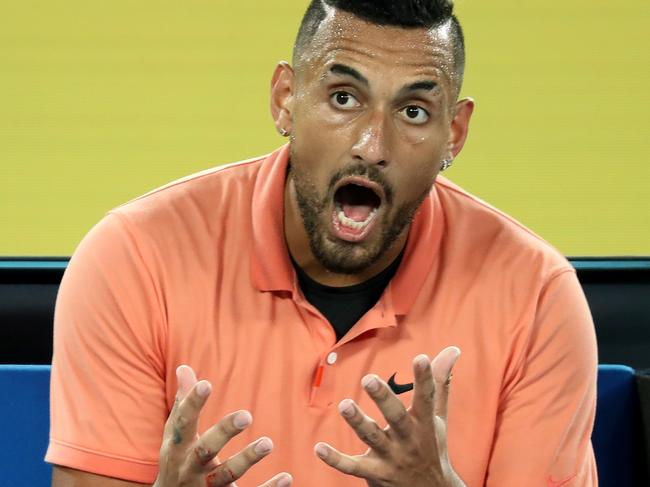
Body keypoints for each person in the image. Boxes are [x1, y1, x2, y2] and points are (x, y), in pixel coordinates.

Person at [46, 1, 598, 486]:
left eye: (413, 111)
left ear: (453, 133)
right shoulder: (133, 259)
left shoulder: (537, 298)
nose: (372, 145)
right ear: (286, 99)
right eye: (342, 97)